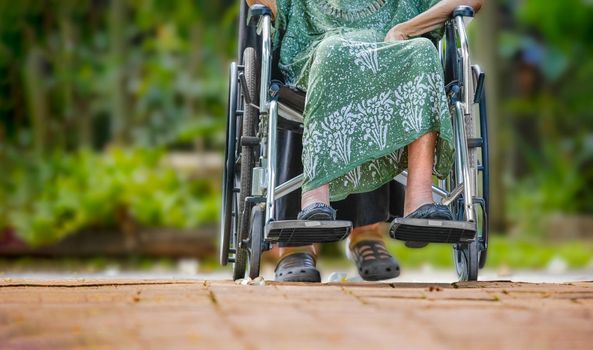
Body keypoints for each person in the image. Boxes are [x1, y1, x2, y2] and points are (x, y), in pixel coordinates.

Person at [247, 0, 483, 282]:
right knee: (334, 52)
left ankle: (419, 201)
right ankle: (313, 204)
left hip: (391, 58)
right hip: (321, 53)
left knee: (422, 50)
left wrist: (406, 29)